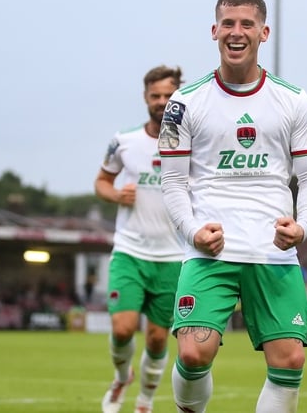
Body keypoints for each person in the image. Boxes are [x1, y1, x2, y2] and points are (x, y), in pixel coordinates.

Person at [158, 0, 307, 413]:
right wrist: (194, 232)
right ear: (214, 31)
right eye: (228, 24)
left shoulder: (294, 100)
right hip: (210, 250)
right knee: (194, 353)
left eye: (247, 24)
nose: (237, 33)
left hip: (273, 251)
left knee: (291, 360)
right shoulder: (184, 103)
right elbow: (173, 181)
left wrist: (301, 225)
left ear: (263, 32)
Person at [95, 65, 185, 413]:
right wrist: (116, 195)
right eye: (155, 96)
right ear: (146, 98)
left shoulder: (192, 145)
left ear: (178, 98)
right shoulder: (124, 142)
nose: (161, 102)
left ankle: (145, 401)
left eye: (168, 96)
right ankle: (121, 378)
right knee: (122, 329)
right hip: (130, 251)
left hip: (173, 256)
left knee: (158, 338)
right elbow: (101, 181)